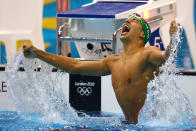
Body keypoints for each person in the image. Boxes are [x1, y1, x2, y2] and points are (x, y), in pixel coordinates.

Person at [23, 13, 178, 124]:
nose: (127, 22)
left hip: (149, 127)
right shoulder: (113, 62)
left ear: (142, 35)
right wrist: (38, 53)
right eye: (127, 20)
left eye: (134, 21)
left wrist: (173, 38)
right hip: (127, 125)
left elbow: (166, 56)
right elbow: (75, 66)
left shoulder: (148, 54)